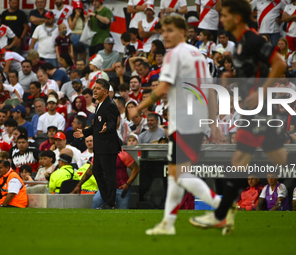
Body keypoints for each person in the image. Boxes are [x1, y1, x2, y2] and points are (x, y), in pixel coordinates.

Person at [190, 0, 289, 234]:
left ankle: (222, 216)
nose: (221, 19)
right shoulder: (238, 46)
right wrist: (231, 79)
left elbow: (280, 63)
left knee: (239, 160)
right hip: (254, 109)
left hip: (262, 109)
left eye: (224, 15)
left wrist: (261, 93)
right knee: (280, 159)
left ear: (237, 17)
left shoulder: (253, 40)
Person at [129, 15, 224, 235]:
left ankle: (222, 207)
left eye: (170, 30)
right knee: (175, 174)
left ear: (183, 31)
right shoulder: (199, 56)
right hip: (195, 121)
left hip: (183, 122)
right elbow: (209, 91)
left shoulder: (174, 54)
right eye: (163, 31)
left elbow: (162, 88)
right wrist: (214, 123)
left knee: (179, 174)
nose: (165, 35)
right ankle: (168, 223)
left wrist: (139, 107)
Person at [74, 79, 121, 209]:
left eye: (98, 88)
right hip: (100, 147)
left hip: (108, 146)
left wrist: (108, 128)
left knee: (109, 174)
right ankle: (107, 201)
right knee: (97, 171)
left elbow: (112, 122)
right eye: (94, 88)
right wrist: (85, 132)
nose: (95, 90)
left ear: (106, 91)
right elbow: (97, 126)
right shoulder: (100, 104)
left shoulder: (110, 105)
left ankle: (111, 203)